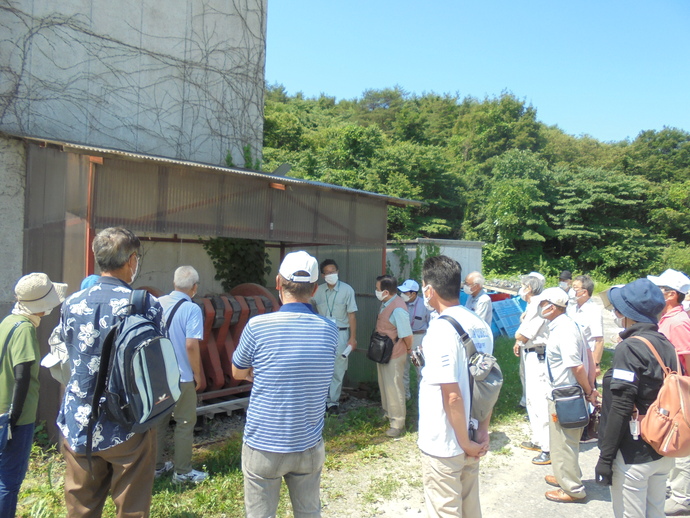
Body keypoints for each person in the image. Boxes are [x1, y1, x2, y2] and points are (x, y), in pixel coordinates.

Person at [57, 227, 164, 518]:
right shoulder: (145, 305)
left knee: (80, 506)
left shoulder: (72, 303)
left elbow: (67, 350)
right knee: (131, 506)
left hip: (79, 419)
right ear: (131, 260)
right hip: (127, 420)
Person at [232, 251, 338, 518]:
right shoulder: (329, 329)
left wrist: (255, 374)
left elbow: (236, 371)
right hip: (308, 444)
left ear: (278, 282)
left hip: (264, 446)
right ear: (315, 288)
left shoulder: (257, 326)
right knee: (309, 512)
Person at [417, 255, 494, 518]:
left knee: (445, 510)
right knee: (470, 508)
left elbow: (452, 396)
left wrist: (463, 442)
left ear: (429, 289)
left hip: (446, 442)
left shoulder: (440, 330)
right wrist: (481, 431)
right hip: (472, 432)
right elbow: (489, 384)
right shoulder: (480, 325)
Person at [595, 279, 677, 517]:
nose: (616, 313)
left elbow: (621, 406)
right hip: (661, 447)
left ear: (629, 312)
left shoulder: (629, 347)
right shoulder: (665, 344)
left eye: (618, 309)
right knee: (655, 512)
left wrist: (605, 457)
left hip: (633, 453)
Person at [0, 273, 66, 517]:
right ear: (42, 306)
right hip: (16, 417)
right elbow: (22, 375)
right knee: (9, 481)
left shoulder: (8, 321)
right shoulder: (25, 328)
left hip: (2, 408)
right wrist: (14, 419)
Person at [538, 288, 597, 503]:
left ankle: (572, 489)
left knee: (565, 442)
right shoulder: (565, 325)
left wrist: (589, 390)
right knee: (560, 441)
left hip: (565, 393)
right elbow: (588, 356)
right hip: (562, 391)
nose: (540, 307)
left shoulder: (564, 329)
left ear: (552, 306)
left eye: (543, 303)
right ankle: (564, 475)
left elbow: (577, 365)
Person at [155, 266, 207, 484]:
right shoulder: (191, 309)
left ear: (174, 282)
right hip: (182, 377)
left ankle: (156, 468)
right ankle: (183, 473)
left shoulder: (157, 303)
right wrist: (198, 374)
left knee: (158, 424)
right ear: (194, 287)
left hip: (158, 376)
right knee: (184, 424)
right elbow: (191, 345)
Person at [646, 269, 690, 516]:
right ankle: (671, 487)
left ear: (671, 295)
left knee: (682, 439)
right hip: (670, 390)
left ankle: (682, 497)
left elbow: (687, 359)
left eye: (659, 289)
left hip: (681, 392)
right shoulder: (666, 319)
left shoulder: (678, 322)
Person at [311, 259, 358, 415]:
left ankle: (333, 403)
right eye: (328, 272)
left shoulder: (347, 290)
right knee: (319, 368)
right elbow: (310, 307)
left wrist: (353, 338)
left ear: (338, 272)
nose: (331, 275)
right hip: (321, 333)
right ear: (323, 275)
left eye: (334, 271)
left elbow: (352, 315)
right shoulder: (317, 290)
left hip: (341, 332)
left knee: (338, 368)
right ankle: (320, 401)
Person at [513, 272, 550, 465]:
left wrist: (518, 337)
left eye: (522, 285)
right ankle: (538, 439)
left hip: (538, 355)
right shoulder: (531, 304)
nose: (520, 288)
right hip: (530, 353)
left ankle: (548, 447)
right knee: (531, 399)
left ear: (529, 288)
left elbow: (523, 334)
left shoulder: (538, 304)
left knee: (539, 400)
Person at [374, 275, 413, 438]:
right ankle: (388, 413)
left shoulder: (397, 308)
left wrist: (409, 349)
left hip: (395, 353)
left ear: (385, 291)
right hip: (383, 352)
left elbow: (406, 334)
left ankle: (398, 423)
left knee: (395, 387)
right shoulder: (386, 303)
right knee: (385, 384)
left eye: (377, 289)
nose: (376, 292)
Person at [398, 279, 431, 400]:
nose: (402, 294)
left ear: (414, 293)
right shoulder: (400, 303)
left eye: (405, 292)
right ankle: (405, 396)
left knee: (420, 367)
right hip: (402, 337)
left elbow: (430, 323)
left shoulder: (424, 305)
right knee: (403, 368)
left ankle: (423, 396)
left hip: (418, 338)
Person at [567, 275, 604, 377]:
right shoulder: (572, 308)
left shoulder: (593, 311)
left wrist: (595, 364)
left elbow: (599, 340)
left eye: (575, 288)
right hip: (572, 356)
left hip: (586, 359)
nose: (572, 291)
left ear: (584, 292)